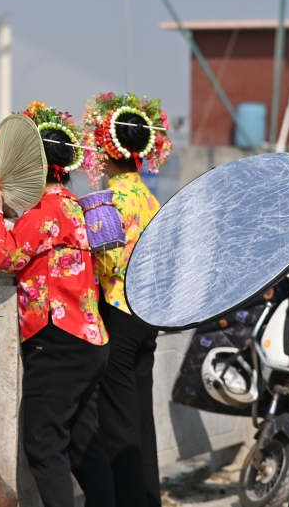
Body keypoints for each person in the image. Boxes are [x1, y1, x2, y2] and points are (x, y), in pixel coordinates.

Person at [0, 101, 114, 507]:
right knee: (83, 443)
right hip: (90, 337)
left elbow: (5, 256)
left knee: (42, 442)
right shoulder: (73, 205)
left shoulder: (43, 210)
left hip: (56, 340)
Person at [77, 92, 171, 507]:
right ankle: (148, 498)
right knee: (141, 418)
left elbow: (109, 264)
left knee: (117, 421)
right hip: (148, 314)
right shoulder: (152, 199)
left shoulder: (108, 200)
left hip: (117, 308)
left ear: (107, 148)